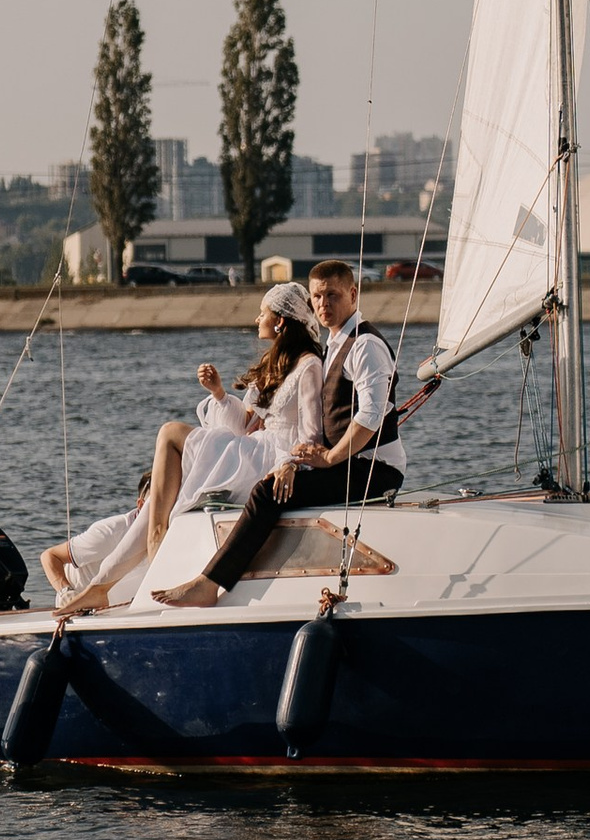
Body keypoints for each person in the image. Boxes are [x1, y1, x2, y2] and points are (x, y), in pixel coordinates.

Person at [42, 287, 325, 618]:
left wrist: (289, 464)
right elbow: (242, 425)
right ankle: (101, 586)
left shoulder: (309, 366)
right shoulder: (274, 363)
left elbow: (311, 433)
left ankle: (150, 552)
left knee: (170, 434)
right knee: (157, 498)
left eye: (262, 313)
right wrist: (218, 393)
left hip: (273, 457)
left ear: (279, 321)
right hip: (252, 450)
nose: (256, 319)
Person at [152, 258, 415, 605]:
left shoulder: (365, 345)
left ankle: (209, 585)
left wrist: (329, 458)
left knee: (268, 492)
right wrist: (297, 459)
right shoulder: (335, 342)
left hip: (374, 470)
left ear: (353, 294)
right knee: (272, 481)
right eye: (317, 297)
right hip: (346, 462)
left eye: (333, 295)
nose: (324, 304)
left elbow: (371, 414)